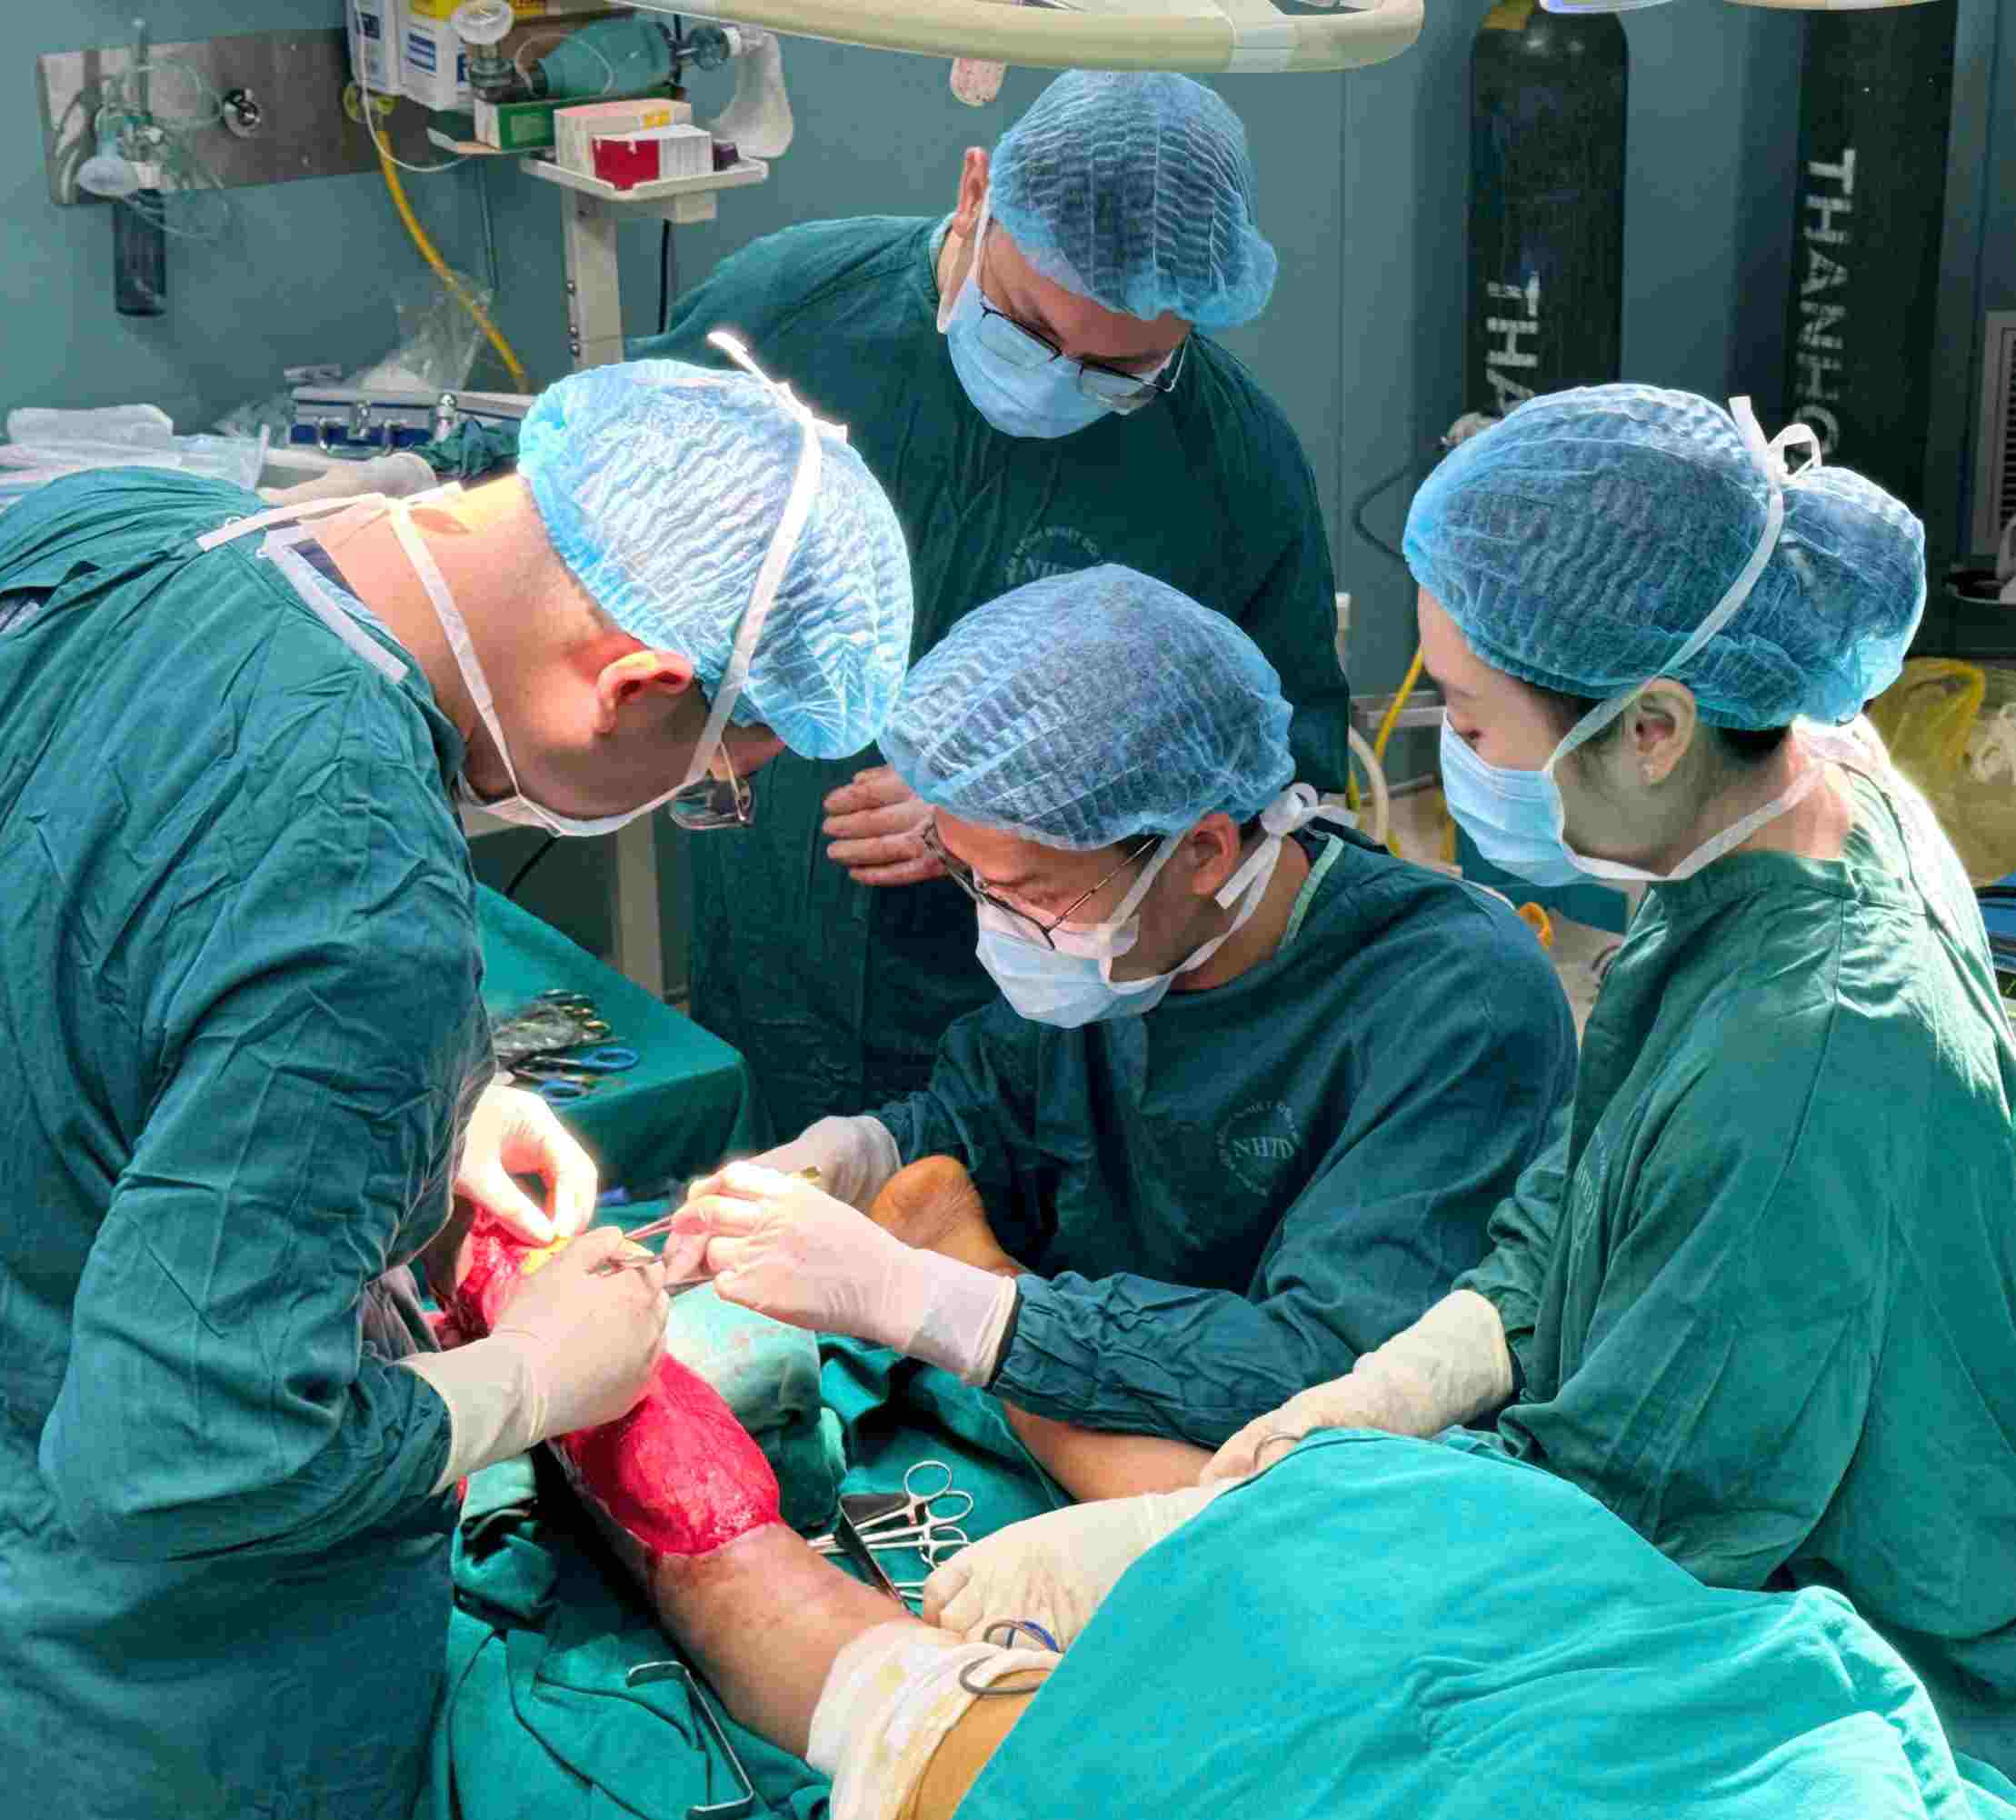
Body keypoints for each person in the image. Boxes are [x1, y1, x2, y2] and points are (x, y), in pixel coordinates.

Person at [0, 351, 914, 1820]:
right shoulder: (356, 900)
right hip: (146, 1719)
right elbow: (183, 1465)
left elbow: (39, 944)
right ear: (634, 682)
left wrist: (423, 1095)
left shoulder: (120, 528)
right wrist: (529, 1379)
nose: (726, 796)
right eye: (725, 763)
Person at [1194, 385, 2016, 1780]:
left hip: (1865, 1678)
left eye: (1467, 713)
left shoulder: (1809, 1046)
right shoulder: (1786, 789)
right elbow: (1606, 1167)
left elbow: (1629, 1511)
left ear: (1649, 727)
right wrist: (1406, 1377)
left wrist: (1240, 1542)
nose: (1457, 761)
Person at [453, 1207, 2016, 1820]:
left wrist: (533, 1360)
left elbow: (790, 1617)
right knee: (1304, 1518)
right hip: (1552, 1599)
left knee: (850, 1654)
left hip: (1472, 1622)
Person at [662, 566, 1575, 1501]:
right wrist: (856, 1154)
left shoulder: (1458, 1000)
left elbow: (1330, 1370)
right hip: (1102, 1431)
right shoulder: (1123, 952)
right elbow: (992, 1109)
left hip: (1326, 1493)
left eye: (1036, 894)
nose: (1003, 925)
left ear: (1206, 851)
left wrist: (957, 1308)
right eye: (972, 878)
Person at [638, 71, 1352, 1144]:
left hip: (1034, 1020)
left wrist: (1013, 807)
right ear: (975, 195)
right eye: (1024, 329)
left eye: (1120, 373)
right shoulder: (784, 318)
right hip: (775, 939)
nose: (1059, 383)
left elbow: (1283, 791)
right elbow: (613, 531)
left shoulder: (1232, 468)